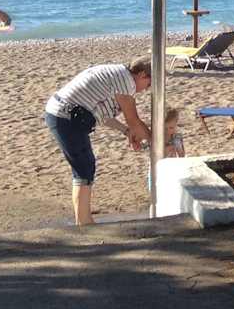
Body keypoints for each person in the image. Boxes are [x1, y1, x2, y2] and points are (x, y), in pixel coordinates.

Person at [44, 57, 153, 225]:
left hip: (63, 113)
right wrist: (156, 141)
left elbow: (100, 115)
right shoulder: (126, 81)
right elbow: (134, 121)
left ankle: (83, 218)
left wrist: (126, 131)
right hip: (65, 116)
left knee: (85, 166)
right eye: (148, 85)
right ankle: (84, 222)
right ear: (142, 74)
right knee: (84, 168)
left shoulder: (117, 74)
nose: (145, 90)